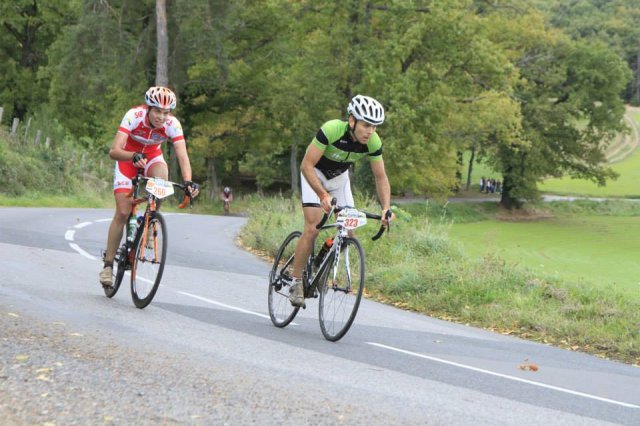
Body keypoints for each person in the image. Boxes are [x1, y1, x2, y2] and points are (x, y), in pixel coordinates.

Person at [286, 94, 393, 307]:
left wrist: (386, 209)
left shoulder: (373, 142)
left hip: (338, 180)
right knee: (313, 228)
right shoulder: (332, 130)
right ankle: (296, 281)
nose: (370, 131)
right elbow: (306, 165)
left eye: (374, 126)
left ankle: (320, 264)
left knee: (348, 231)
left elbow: (380, 177)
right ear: (352, 120)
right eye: (366, 125)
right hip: (314, 174)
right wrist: (322, 195)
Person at [99, 86, 199, 287]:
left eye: (166, 112)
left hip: (152, 158)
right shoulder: (134, 116)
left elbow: (182, 155)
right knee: (123, 212)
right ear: (148, 108)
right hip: (128, 159)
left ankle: (150, 220)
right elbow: (114, 151)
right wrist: (132, 155)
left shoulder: (172, 124)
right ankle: (108, 266)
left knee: (162, 178)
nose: (161, 117)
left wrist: (188, 181)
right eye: (157, 111)